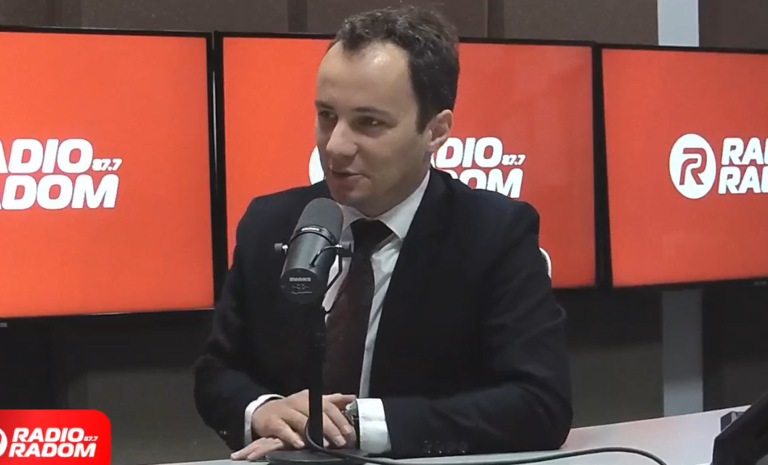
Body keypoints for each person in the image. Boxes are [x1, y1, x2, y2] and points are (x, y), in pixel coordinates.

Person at [193, 5, 573, 462]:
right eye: (326, 115)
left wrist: (359, 427)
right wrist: (263, 410)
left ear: (435, 131)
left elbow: (539, 405)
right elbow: (217, 373)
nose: (335, 146)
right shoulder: (268, 223)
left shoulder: (494, 235)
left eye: (369, 123)